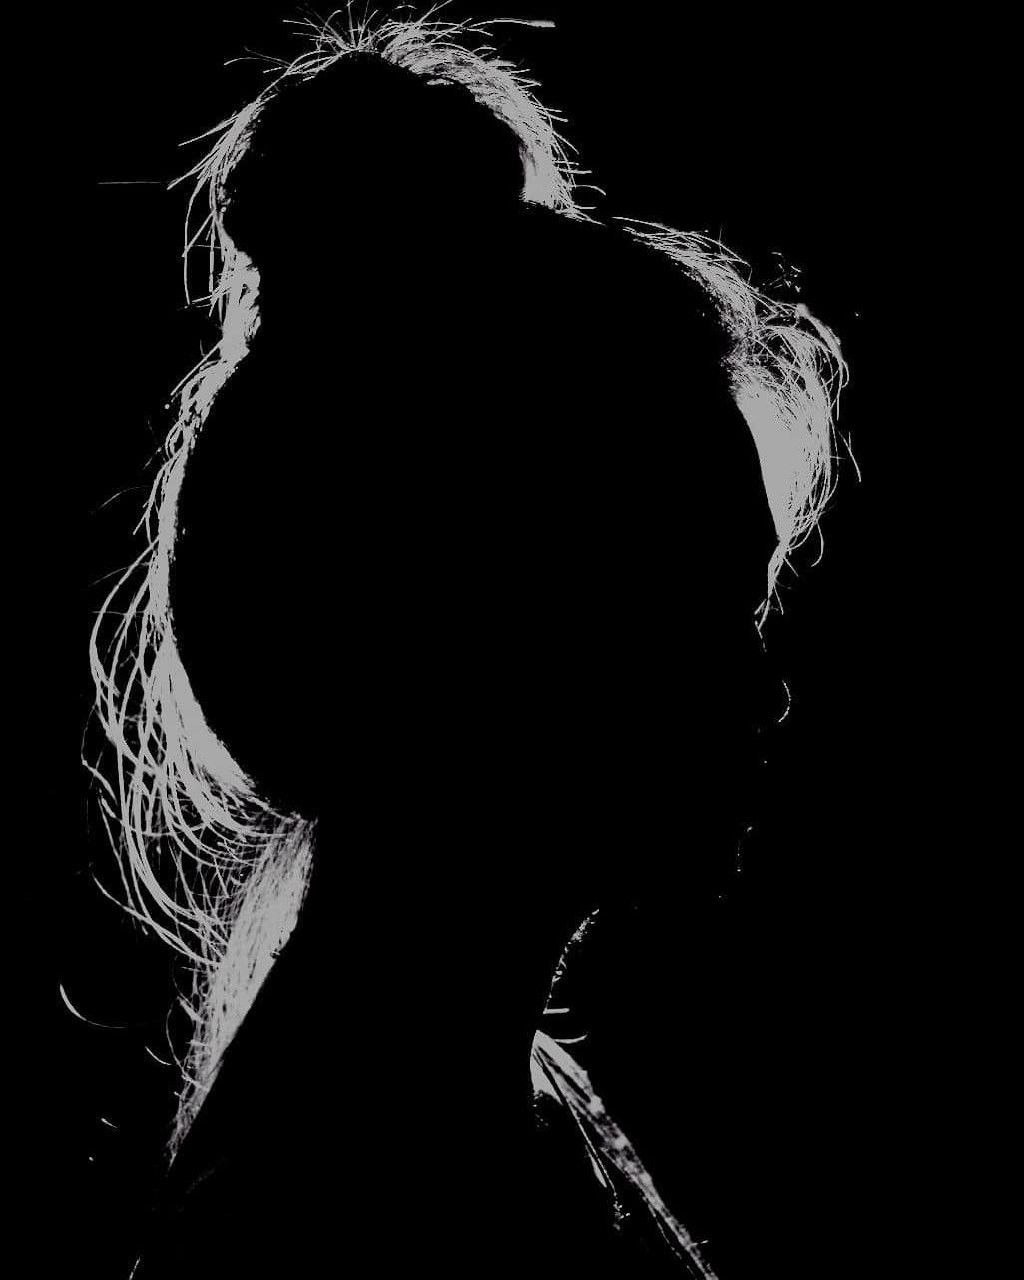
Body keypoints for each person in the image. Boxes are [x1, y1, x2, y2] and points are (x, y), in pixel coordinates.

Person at [89, 9, 846, 1276]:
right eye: (680, 603)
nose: (763, 690)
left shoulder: (479, 1121)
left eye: (745, 602)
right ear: (471, 621)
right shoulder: (347, 1213)